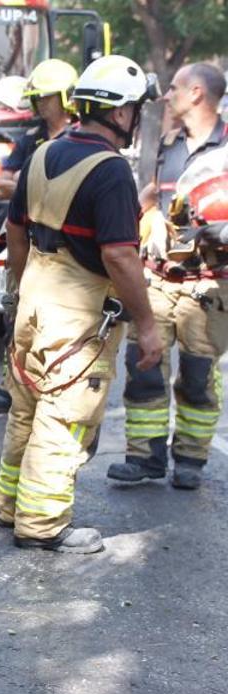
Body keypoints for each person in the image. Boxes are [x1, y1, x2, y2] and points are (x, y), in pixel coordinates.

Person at [0, 55, 162, 555]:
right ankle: (42, 524)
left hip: (35, 293)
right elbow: (120, 256)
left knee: (25, 406)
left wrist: (23, 288)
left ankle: (10, 505)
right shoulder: (110, 171)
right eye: (134, 109)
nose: (136, 119)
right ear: (118, 113)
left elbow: (16, 229)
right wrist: (148, 324)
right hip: (79, 307)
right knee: (65, 414)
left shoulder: (42, 154)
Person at [107, 62, 228, 490]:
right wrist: (148, 212)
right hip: (158, 279)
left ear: (197, 93)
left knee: (197, 375)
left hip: (209, 286)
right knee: (143, 364)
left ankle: (191, 459)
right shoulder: (169, 143)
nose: (166, 96)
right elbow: (154, 191)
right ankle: (144, 458)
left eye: (173, 88)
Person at [0, 59, 79, 414]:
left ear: (66, 97)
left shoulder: (82, 136)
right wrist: (35, 182)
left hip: (67, 248)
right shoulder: (30, 138)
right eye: (36, 98)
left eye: (46, 98)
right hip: (27, 241)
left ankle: (53, 388)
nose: (39, 105)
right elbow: (0, 188)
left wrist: (24, 181)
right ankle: (11, 389)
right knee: (16, 315)